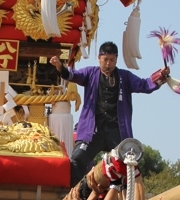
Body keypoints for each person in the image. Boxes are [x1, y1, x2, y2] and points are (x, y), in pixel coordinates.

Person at [49, 41, 168, 186]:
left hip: (115, 130)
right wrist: (60, 66)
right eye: (105, 60)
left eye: (112, 60)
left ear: (116, 60)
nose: (108, 64)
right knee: (78, 158)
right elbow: (73, 75)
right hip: (93, 130)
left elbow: (144, 85)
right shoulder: (90, 73)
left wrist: (160, 76)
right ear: (99, 58)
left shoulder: (125, 77)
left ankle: (124, 197)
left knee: (126, 162)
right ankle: (68, 191)